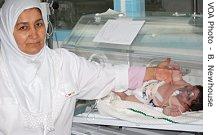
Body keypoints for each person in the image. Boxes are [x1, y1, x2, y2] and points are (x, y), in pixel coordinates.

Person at [0, 0, 181, 134]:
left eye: (38, 24)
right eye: (23, 28)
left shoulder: (63, 63)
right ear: (7, 32)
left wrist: (155, 72)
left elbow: (108, 76)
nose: (34, 34)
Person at [115, 59, 203, 117]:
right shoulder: (183, 85)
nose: (186, 91)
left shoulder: (179, 108)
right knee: (158, 73)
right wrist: (175, 70)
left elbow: (166, 111)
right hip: (155, 83)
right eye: (191, 88)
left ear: (188, 107)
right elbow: (177, 78)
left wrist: (168, 111)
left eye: (188, 96)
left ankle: (118, 91)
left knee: (128, 99)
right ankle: (121, 77)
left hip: (148, 96)